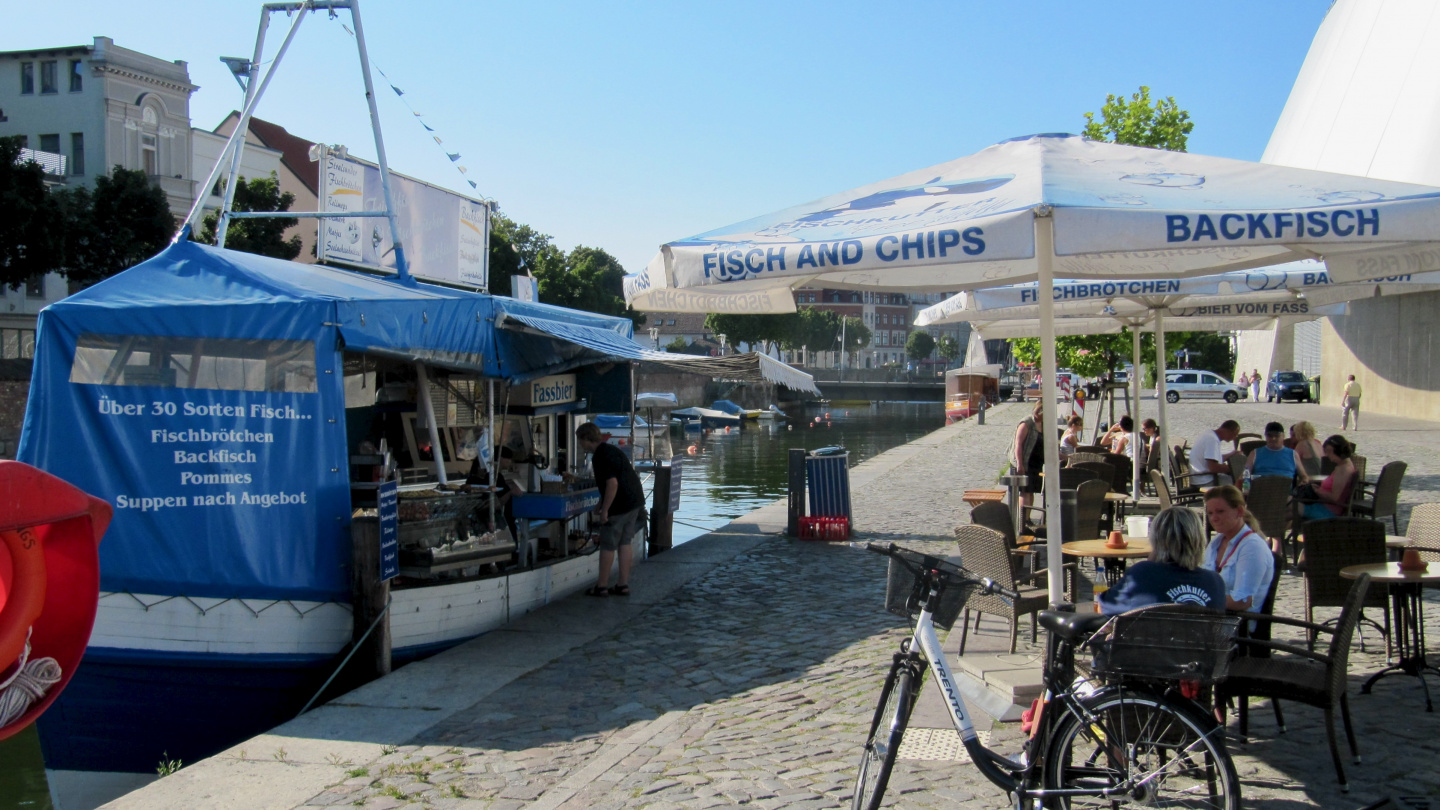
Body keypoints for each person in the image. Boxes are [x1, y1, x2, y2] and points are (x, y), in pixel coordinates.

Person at [1098, 506, 1226, 614]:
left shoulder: (1142, 574)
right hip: (1199, 643)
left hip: (1148, 643)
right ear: (1199, 540)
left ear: (1155, 540)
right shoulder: (1214, 582)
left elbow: (1104, 608)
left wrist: (1151, 561)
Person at [575, 422, 645, 596]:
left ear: (586, 438)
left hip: (620, 504)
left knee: (608, 543)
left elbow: (612, 483)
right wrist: (601, 502)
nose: (580, 444)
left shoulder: (599, 456)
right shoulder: (612, 450)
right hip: (634, 500)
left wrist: (605, 509)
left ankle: (602, 586)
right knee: (625, 541)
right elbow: (616, 480)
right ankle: (623, 584)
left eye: (580, 440)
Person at [1202, 485, 1275, 612]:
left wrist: (1201, 598)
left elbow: (1242, 601)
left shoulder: (1252, 547)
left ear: (1239, 511)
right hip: (1211, 617)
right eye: (1210, 513)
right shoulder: (1216, 543)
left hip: (1237, 624)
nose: (1214, 518)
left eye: (1220, 511)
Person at [467, 446, 525, 540]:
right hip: (497, 523)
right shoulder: (493, 477)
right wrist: (510, 492)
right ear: (501, 458)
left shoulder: (493, 477)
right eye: (508, 459)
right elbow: (498, 502)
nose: (510, 462)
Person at [1298, 435, 1358, 522]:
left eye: (1328, 451)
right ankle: (1278, 533)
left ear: (1336, 450)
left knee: (1290, 505)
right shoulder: (1345, 465)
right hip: (1325, 507)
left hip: (1327, 511)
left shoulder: (1343, 470)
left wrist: (1317, 491)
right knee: (1287, 510)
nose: (1326, 455)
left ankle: (1278, 532)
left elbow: (1334, 497)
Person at [1012, 402, 1046, 512]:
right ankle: (1023, 520)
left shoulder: (1043, 424)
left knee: (1031, 491)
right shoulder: (1027, 423)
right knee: (1025, 491)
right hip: (1026, 461)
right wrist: (1020, 464)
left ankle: (1028, 518)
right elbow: (1018, 444)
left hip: (1037, 463)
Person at [1188, 419, 1240, 487]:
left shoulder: (1209, 434)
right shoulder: (1212, 440)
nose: (1234, 438)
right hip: (1204, 481)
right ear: (1228, 431)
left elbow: (1215, 458)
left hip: (1199, 477)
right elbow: (1214, 468)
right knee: (1238, 484)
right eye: (1235, 434)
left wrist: (1232, 453)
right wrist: (1234, 468)